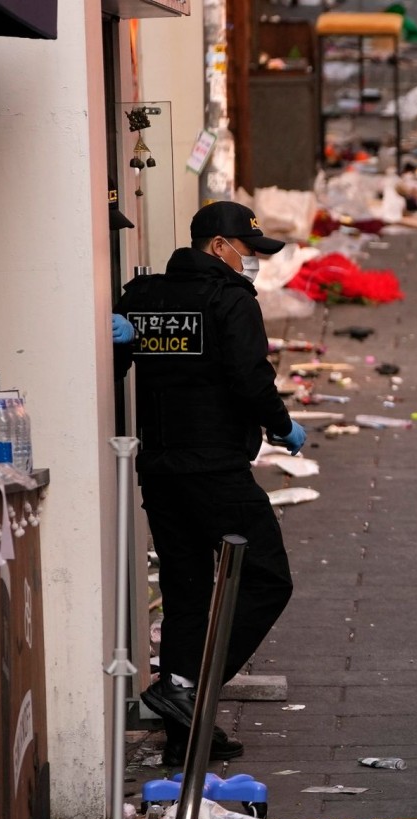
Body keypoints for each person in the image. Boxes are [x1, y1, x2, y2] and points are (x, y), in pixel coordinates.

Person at [113, 200, 305, 767]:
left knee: (188, 591)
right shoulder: (230, 301)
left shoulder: (142, 297)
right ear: (219, 247)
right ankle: (189, 689)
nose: (254, 263)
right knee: (269, 578)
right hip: (216, 468)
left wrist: (123, 341)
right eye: (249, 250)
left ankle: (185, 734)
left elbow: (117, 363)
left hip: (160, 468)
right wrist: (281, 425)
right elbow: (250, 378)